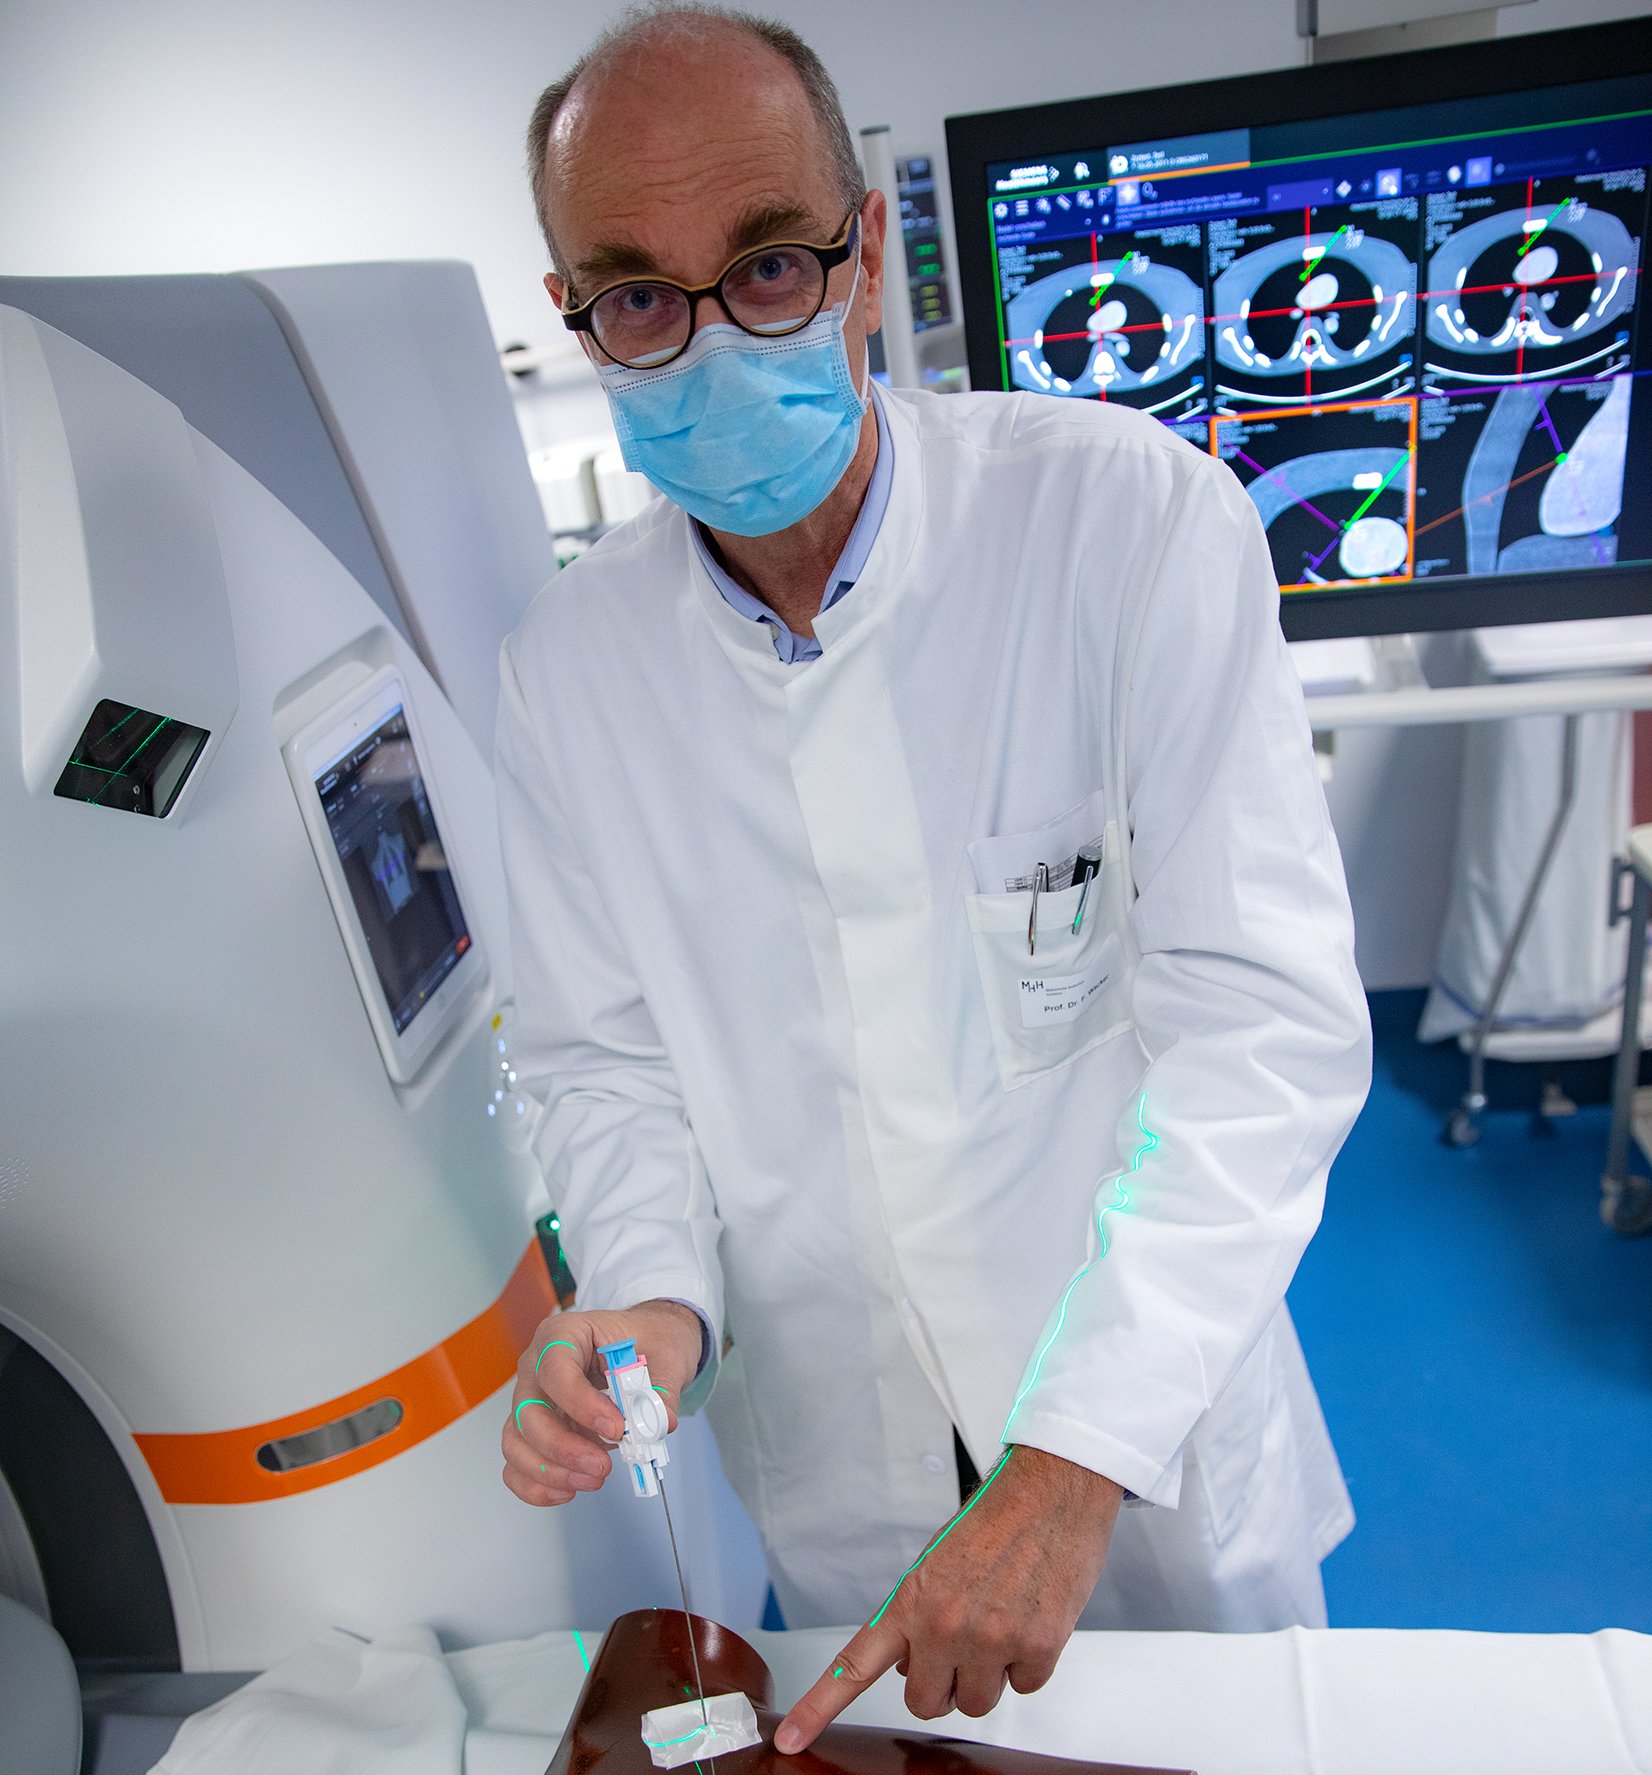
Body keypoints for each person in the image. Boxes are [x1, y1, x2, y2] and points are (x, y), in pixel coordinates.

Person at [496, 4, 1371, 1750]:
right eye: (639, 296)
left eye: (768, 265)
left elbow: (1261, 1034)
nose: (708, 341)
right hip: (844, 1451)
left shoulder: (1132, 527)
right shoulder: (568, 666)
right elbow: (604, 1063)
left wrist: (1073, 1460)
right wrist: (652, 1303)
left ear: (872, 252)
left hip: (1141, 1429)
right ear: (579, 319)